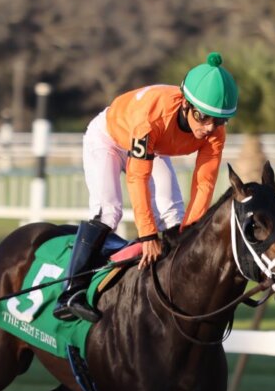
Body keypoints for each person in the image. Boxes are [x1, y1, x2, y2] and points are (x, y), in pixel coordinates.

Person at [53, 51, 239, 323]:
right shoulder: (151, 118)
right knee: (109, 212)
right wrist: (147, 234)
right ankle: (71, 291)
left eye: (219, 120)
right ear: (186, 105)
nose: (210, 128)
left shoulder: (214, 133)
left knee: (175, 217)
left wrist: (190, 232)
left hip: (154, 147)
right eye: (203, 117)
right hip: (109, 137)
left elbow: (204, 182)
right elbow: (137, 177)